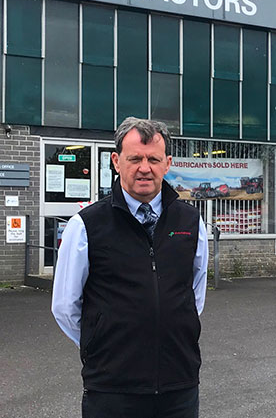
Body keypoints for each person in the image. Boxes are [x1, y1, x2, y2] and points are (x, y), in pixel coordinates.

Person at [52, 117, 209, 418]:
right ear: (116, 161)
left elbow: (194, 294)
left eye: (153, 159)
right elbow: (64, 306)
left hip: (179, 386)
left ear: (168, 163)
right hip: (112, 389)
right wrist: (99, 343)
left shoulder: (190, 222)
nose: (144, 168)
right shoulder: (86, 226)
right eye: (134, 158)